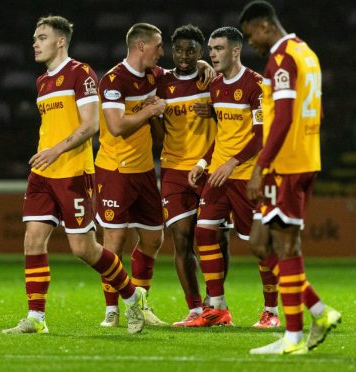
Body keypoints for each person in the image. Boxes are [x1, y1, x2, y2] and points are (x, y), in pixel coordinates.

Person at [2, 15, 147, 335]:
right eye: (34, 38)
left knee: (84, 250)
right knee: (33, 240)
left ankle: (131, 294)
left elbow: (91, 125)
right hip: (42, 174)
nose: (35, 43)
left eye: (41, 37)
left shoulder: (81, 74)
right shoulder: (42, 82)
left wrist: (57, 150)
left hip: (73, 173)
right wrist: (47, 154)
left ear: (60, 41)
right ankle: (36, 318)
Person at [240, 1, 341, 354]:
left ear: (265, 25)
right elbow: (318, 108)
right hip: (306, 158)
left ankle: (295, 336)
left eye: (251, 34)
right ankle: (316, 313)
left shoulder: (281, 58)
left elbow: (282, 117)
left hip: (286, 164)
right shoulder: (306, 53)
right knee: (270, 244)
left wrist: (260, 165)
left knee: (284, 246)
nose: (252, 42)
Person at [187, 26, 279, 328]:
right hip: (217, 176)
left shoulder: (255, 85)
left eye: (218, 49)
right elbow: (224, 135)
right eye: (211, 49)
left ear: (235, 51)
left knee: (259, 245)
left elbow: (261, 134)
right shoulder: (215, 87)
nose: (212, 54)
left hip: (245, 176)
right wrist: (204, 161)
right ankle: (217, 307)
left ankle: (272, 312)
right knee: (203, 233)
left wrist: (233, 162)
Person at [93, 23, 169, 328]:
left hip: (144, 171)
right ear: (141, 46)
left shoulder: (154, 74)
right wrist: (150, 111)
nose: (162, 52)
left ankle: (140, 304)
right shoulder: (114, 80)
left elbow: (178, 76)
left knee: (153, 239)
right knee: (115, 240)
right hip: (115, 169)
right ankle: (112, 309)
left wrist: (202, 65)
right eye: (158, 46)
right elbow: (116, 127)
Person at [154, 24, 222, 326]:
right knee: (181, 240)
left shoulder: (213, 81)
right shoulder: (161, 83)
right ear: (172, 50)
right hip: (174, 170)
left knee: (217, 239)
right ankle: (195, 309)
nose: (184, 55)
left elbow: (236, 117)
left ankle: (214, 304)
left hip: (209, 169)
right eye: (179, 49)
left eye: (192, 50)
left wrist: (217, 111)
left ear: (201, 51)